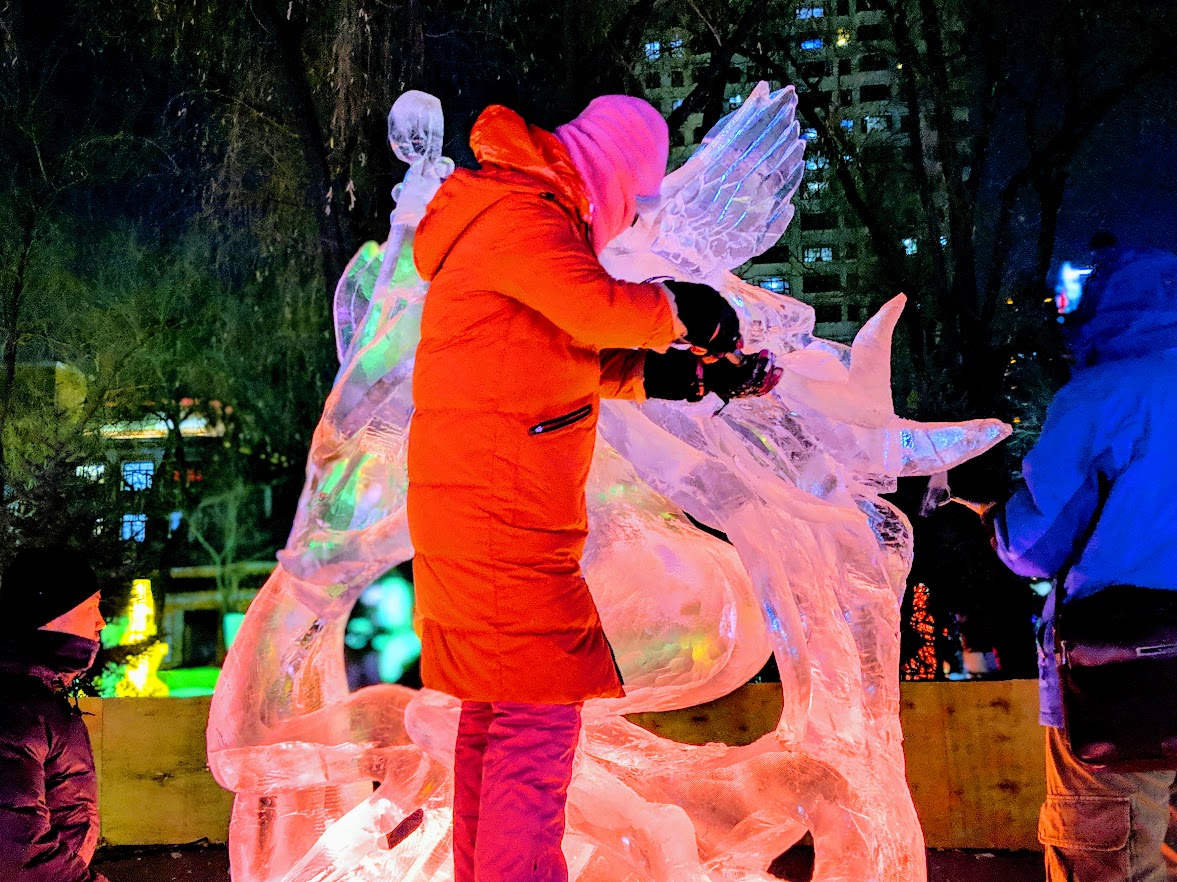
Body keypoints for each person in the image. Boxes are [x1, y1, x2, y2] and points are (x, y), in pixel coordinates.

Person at [408, 95, 775, 882]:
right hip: (502, 520)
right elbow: (594, 309)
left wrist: (672, 375)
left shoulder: (508, 215)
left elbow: (564, 350)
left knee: (497, 721)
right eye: (636, 197)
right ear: (608, 174)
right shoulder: (521, 214)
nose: (630, 218)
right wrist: (688, 311)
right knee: (532, 733)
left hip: (484, 510)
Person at [990, 240, 1177, 881]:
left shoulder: (1102, 395)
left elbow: (1034, 545)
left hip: (1126, 677)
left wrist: (992, 518)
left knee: (1110, 856)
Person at [0, 545, 108, 882]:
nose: (101, 621)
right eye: (92, 607)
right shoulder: (15, 709)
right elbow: (17, 851)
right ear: (51, 613)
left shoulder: (38, 697)